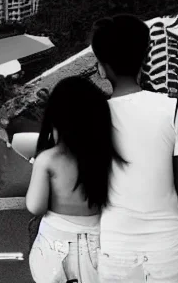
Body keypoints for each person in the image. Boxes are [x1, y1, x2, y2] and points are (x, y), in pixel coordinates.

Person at [91, 14, 178, 283]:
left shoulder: (92, 118)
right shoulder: (176, 108)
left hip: (114, 253)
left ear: (102, 68)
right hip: (168, 252)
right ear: (144, 59)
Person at [26, 76, 125, 283]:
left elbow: (35, 207)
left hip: (57, 249)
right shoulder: (107, 158)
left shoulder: (48, 160)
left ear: (55, 119)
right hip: (102, 246)